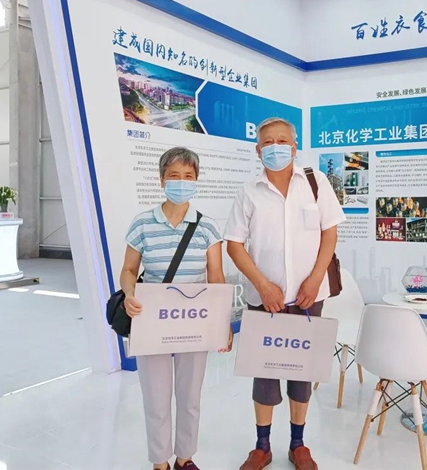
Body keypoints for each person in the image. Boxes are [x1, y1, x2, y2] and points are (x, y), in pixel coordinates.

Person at [225, 117, 345, 470]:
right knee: (264, 373)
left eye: (282, 141)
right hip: (265, 302)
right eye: (268, 142)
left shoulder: (315, 182)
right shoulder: (249, 191)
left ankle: (298, 443)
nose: (275, 147)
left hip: (309, 297)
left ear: (294, 147)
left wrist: (315, 279)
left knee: (302, 371)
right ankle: (262, 446)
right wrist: (262, 285)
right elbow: (234, 245)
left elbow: (330, 234)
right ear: (257, 150)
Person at [120, 147, 233, 470]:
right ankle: (160, 462)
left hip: (194, 321)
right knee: (155, 398)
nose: (181, 182)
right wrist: (129, 293)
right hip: (152, 320)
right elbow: (128, 270)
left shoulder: (207, 227)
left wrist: (222, 321)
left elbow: (215, 277)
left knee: (190, 397)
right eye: (174, 176)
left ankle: (185, 458)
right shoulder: (142, 223)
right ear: (161, 180)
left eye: (188, 176)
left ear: (196, 180)